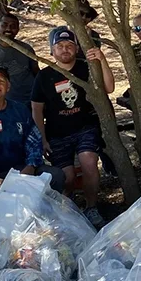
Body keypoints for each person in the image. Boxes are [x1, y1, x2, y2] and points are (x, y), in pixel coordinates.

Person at [31, 26, 115, 227]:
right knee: (66, 178)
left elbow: (109, 88)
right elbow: (36, 110)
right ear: (52, 51)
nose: (65, 49)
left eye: (69, 45)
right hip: (57, 133)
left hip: (85, 127)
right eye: (59, 46)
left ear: (77, 49)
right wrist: (42, 139)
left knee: (88, 161)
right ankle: (69, 213)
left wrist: (102, 60)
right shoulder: (44, 76)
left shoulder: (86, 68)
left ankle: (92, 207)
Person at [0, 67, 66, 207]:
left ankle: (47, 219)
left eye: (1, 81)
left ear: (8, 86)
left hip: (22, 170)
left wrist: (30, 167)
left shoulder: (20, 110)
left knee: (56, 176)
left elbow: (34, 142)